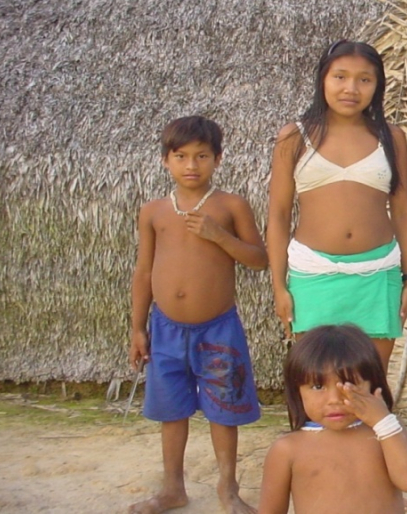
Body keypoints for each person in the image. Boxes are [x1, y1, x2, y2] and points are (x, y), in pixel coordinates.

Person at [128, 115, 268, 514]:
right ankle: (173, 488)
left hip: (218, 328)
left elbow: (260, 259)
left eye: (202, 156)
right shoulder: (153, 212)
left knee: (224, 410)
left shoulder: (230, 205)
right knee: (171, 411)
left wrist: (219, 236)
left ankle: (228, 488)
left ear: (218, 159)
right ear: (165, 161)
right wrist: (138, 327)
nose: (192, 165)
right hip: (165, 327)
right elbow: (143, 271)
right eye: (181, 156)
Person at [267, 40, 407, 370]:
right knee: (317, 384)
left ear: (377, 86)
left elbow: (404, 212)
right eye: (340, 77)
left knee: (371, 386)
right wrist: (279, 286)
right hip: (312, 274)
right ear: (323, 79)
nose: (351, 88)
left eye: (364, 79)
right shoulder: (295, 136)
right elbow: (278, 216)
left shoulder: (391, 137)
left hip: (378, 274)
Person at [258, 324, 407, 514]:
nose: (335, 400)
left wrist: (384, 422)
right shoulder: (288, 449)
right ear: (297, 391)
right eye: (318, 387)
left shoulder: (386, 432)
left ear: (373, 385)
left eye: (348, 384)